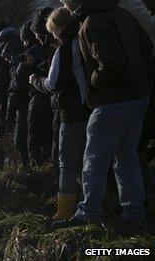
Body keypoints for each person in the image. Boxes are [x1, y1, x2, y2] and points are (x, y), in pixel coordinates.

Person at [53, 0, 153, 228]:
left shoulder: (92, 22)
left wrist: (94, 85)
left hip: (113, 98)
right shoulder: (123, 14)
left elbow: (111, 61)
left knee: (94, 158)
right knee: (126, 156)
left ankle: (88, 212)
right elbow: (146, 46)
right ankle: (135, 213)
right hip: (138, 96)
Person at [29, 7, 91, 220]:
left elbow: (53, 84)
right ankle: (94, 206)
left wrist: (36, 81)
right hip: (93, 109)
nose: (52, 35)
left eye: (53, 31)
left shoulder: (64, 50)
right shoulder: (86, 38)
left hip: (72, 114)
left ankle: (64, 211)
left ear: (58, 28)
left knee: (68, 162)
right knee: (90, 162)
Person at [7, 20, 38, 169]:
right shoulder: (52, 50)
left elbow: (17, 85)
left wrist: (10, 111)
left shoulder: (27, 56)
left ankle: (28, 168)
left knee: (23, 138)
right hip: (45, 103)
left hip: (26, 103)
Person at [27, 7, 56, 166]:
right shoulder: (52, 48)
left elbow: (53, 83)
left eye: (38, 35)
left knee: (63, 157)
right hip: (57, 104)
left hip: (57, 103)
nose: (37, 39)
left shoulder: (56, 49)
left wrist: (35, 79)